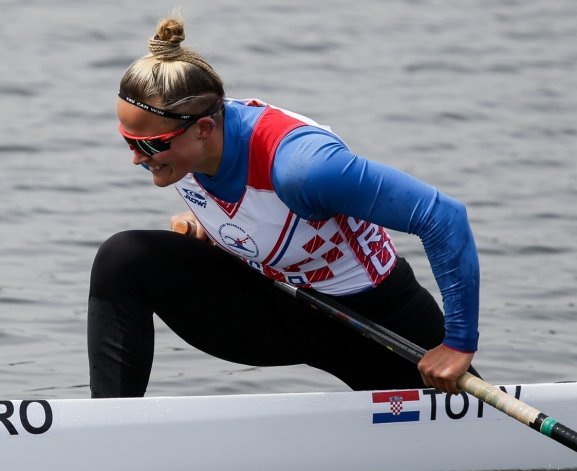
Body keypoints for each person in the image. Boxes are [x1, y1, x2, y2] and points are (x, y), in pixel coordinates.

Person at [88, 14, 480, 398]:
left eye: (150, 145)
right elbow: (256, 207)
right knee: (123, 258)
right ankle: (106, 424)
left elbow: (442, 217)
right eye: (129, 141)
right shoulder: (186, 140)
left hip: (369, 319)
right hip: (272, 306)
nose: (137, 158)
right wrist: (213, 225)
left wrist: (458, 345)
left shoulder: (305, 167)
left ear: (204, 129)